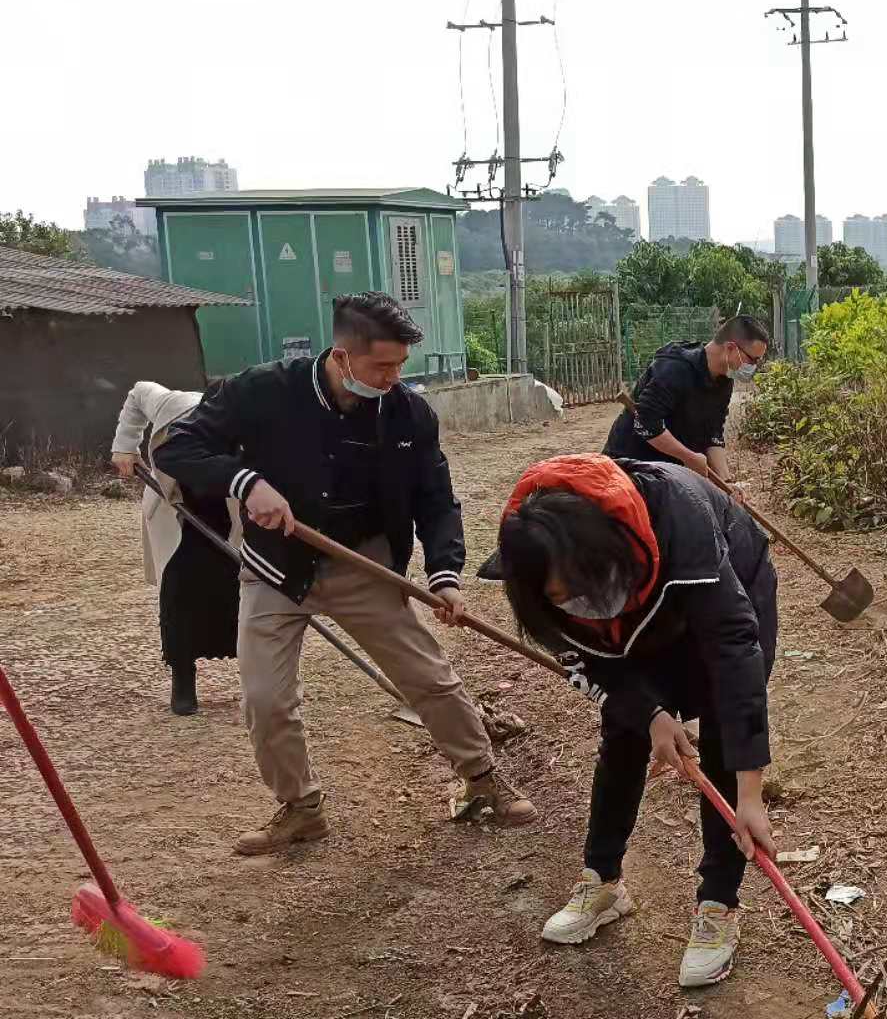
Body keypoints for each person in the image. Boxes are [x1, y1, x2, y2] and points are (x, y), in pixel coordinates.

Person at [155, 292, 537, 856]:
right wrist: (246, 483)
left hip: (365, 565)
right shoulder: (264, 390)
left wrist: (445, 574)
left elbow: (435, 499)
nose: (393, 378)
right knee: (266, 699)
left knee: (428, 677)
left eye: (400, 366)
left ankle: (482, 778)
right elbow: (177, 447)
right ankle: (301, 809)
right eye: (382, 366)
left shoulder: (409, 413)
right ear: (341, 356)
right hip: (275, 570)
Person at [490, 452, 776, 988]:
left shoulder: (679, 520)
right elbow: (580, 657)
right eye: (561, 596)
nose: (580, 602)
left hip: (727, 588)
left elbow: (735, 648)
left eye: (586, 582)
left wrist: (750, 793)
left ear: (607, 550)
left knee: (718, 735)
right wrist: (649, 713)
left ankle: (718, 905)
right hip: (642, 619)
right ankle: (603, 882)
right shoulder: (533, 568)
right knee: (622, 733)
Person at [110, 378, 236, 716]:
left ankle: (259, 681)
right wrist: (125, 445)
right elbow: (136, 391)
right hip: (176, 511)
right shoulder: (171, 404)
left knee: (242, 594)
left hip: (226, 512)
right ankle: (183, 681)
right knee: (179, 596)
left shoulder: (247, 426)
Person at [602, 315, 771, 489]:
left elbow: (713, 434)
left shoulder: (724, 381)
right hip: (629, 468)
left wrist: (727, 483)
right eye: (753, 360)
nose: (754, 367)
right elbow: (646, 423)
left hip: (669, 472)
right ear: (730, 348)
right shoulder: (675, 368)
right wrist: (688, 456)